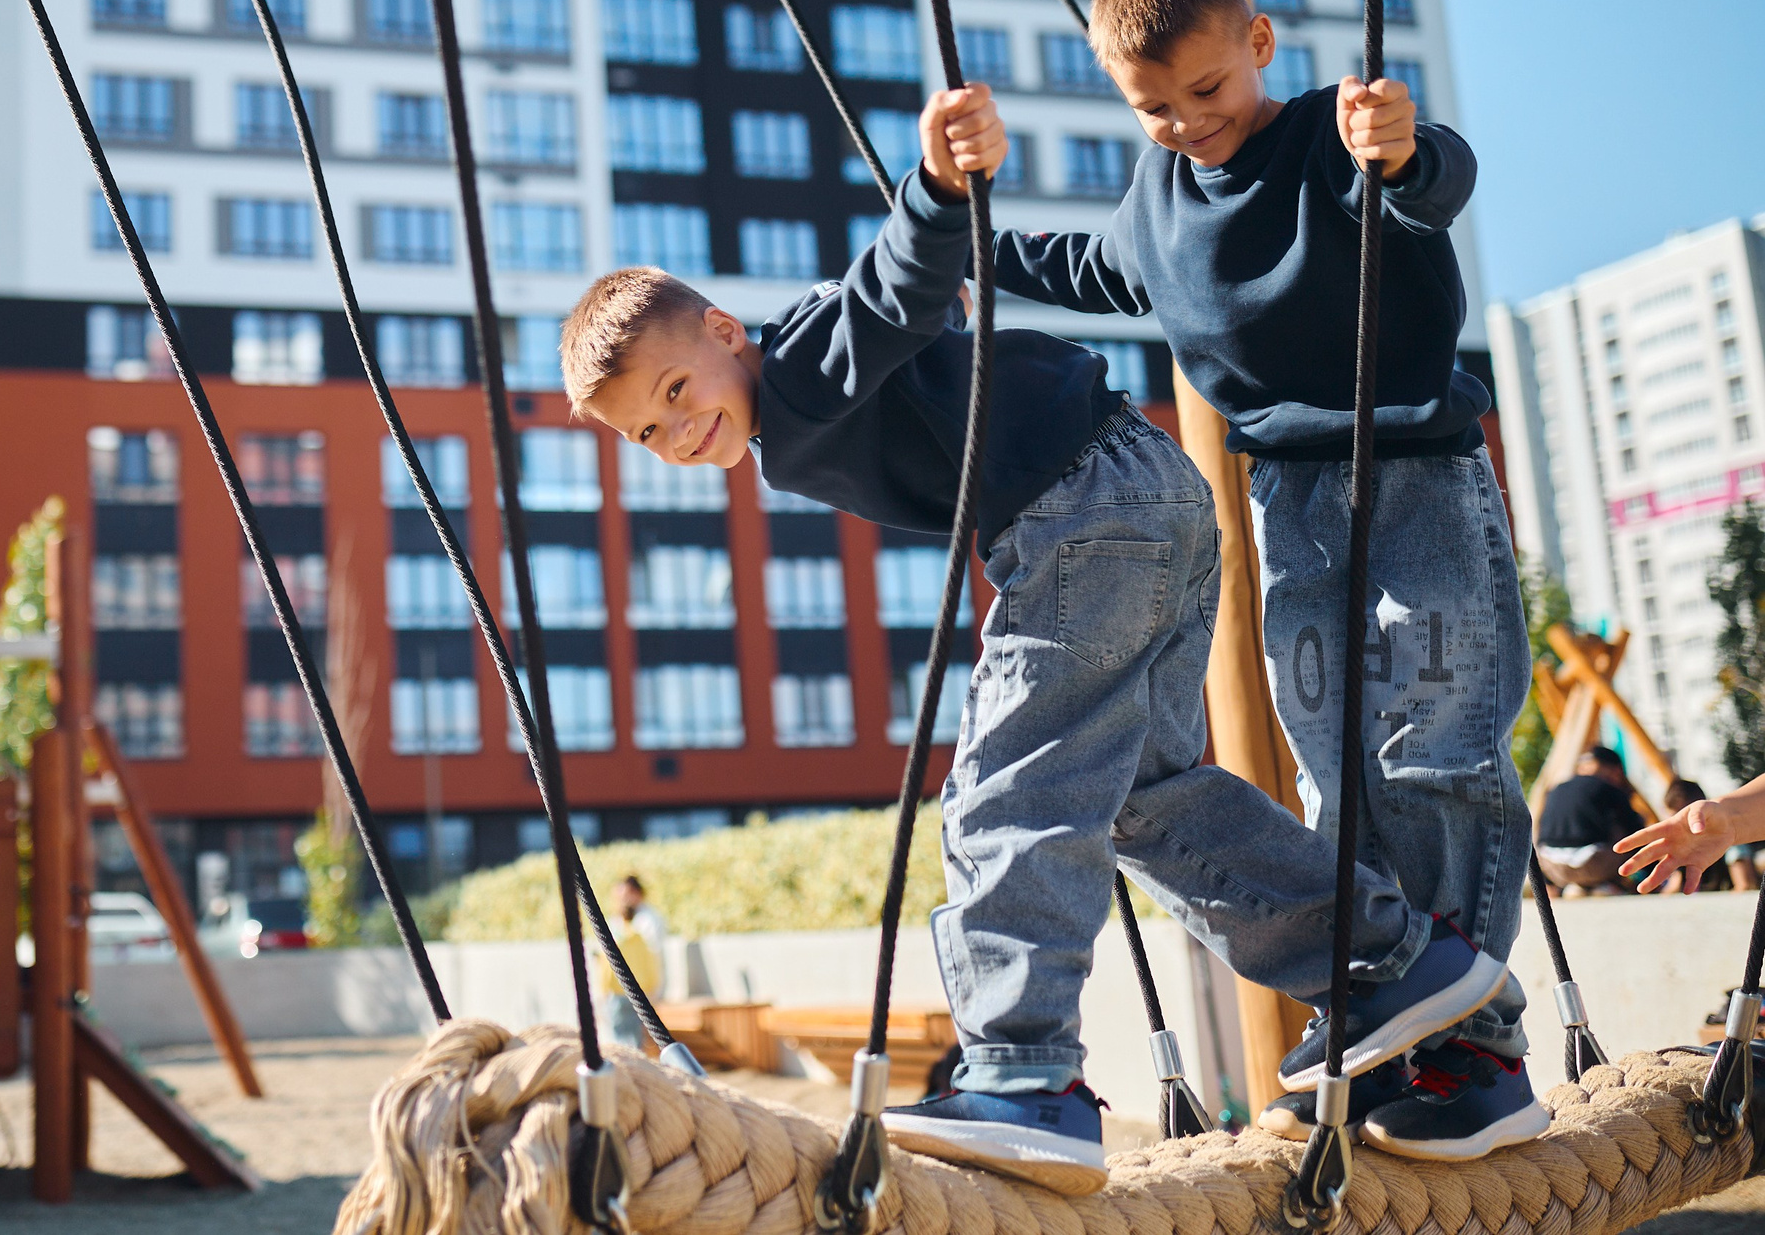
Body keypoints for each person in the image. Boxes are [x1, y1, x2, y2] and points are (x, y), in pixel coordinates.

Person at [556, 86, 1497, 1195]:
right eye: (647, 431)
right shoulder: (790, 418)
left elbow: (894, 290)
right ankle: (1388, 958)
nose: (676, 429)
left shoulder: (802, 363)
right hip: (1145, 500)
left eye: (675, 390)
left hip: (1086, 514)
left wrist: (942, 192)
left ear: (723, 331)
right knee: (1150, 797)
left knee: (1004, 784)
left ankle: (1022, 1070)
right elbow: (930, 331)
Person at [972, 0, 1540, 1160]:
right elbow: (1085, 268)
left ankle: (1482, 1040)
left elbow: (1430, 182)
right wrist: (957, 234)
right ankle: (1399, 1012)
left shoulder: (1336, 140)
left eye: (1207, 91)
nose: (1185, 123)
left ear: (1259, 46)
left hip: (1412, 471)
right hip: (1286, 498)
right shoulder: (1158, 201)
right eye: (1153, 107)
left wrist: (1402, 144)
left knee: (1430, 741)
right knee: (1334, 762)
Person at [1617, 769, 1765, 895]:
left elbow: (1745, 884)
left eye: (1684, 816)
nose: (1680, 825)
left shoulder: (1731, 842)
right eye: (1673, 818)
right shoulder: (1680, 848)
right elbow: (1673, 889)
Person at [1534, 748, 1645, 894]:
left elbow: (1543, 830)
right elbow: (1635, 829)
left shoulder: (1556, 788)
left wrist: (1548, 883)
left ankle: (1573, 888)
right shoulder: (1608, 787)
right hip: (1595, 864)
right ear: (1614, 769)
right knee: (1628, 824)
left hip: (1552, 867)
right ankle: (1613, 885)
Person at [594, 876, 667, 1053]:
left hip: (622, 992)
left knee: (622, 1040)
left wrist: (602, 993)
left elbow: (606, 968)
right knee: (633, 1040)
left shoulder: (645, 924)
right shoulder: (635, 937)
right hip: (635, 991)